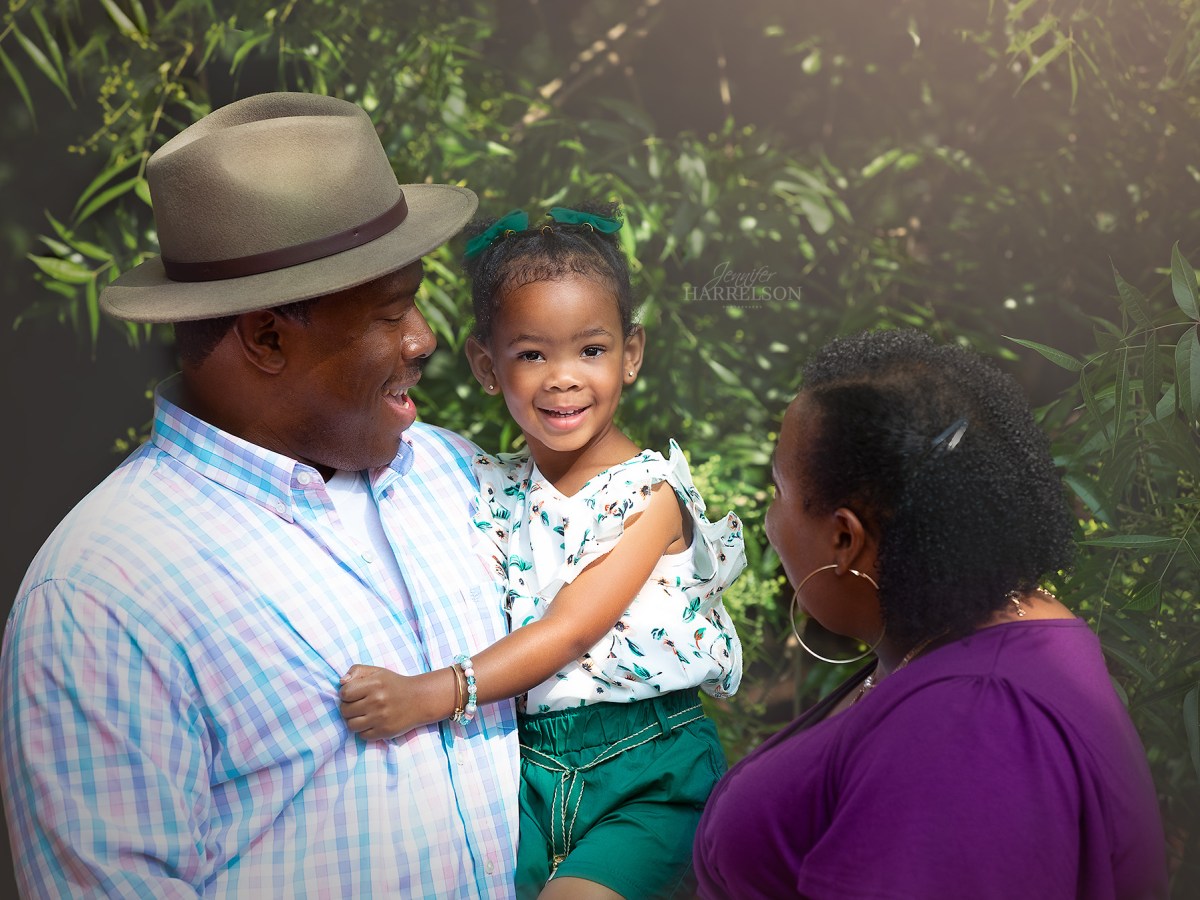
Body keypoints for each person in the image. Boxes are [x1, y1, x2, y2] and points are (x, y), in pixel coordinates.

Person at [0, 92, 521, 897]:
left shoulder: (453, 476)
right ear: (268, 336)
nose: (425, 338)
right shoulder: (104, 595)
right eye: (391, 313)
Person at [337, 203, 745, 900]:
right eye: (532, 354)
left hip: (648, 766)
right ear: (485, 365)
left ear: (632, 355)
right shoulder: (490, 484)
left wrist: (429, 694)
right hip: (528, 768)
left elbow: (571, 629)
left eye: (591, 350)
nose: (563, 377)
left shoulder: (647, 495)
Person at [693, 329, 1169, 899]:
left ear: (844, 538)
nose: (769, 521)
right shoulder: (959, 643)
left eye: (778, 491)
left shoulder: (973, 727)